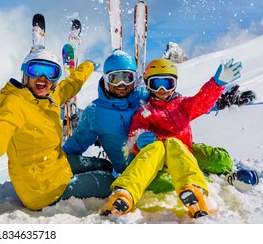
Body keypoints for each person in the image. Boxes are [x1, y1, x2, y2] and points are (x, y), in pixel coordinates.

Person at [0, 48, 115, 211]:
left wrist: (88, 66)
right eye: (36, 70)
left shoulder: (49, 97)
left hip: (56, 166)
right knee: (110, 181)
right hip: (43, 190)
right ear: (25, 74)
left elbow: (71, 84)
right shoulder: (15, 105)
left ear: (55, 79)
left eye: (50, 72)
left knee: (105, 166)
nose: (42, 78)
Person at [62, 50, 257, 194]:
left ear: (137, 79)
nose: (122, 85)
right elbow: (76, 144)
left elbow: (188, 105)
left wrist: (219, 93)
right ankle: (202, 181)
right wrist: (57, 163)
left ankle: (210, 173)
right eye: (115, 79)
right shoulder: (95, 112)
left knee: (214, 158)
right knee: (163, 184)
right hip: (138, 166)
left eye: (127, 78)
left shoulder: (146, 96)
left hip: (178, 150)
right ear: (105, 79)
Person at [101, 58, 242, 218]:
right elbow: (134, 137)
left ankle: (192, 186)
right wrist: (138, 141)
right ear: (148, 85)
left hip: (183, 151)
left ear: (174, 84)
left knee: (214, 158)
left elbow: (201, 103)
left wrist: (216, 84)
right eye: (156, 84)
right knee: (157, 154)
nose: (162, 89)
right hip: (158, 158)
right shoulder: (144, 112)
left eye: (167, 83)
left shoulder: (182, 105)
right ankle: (125, 193)